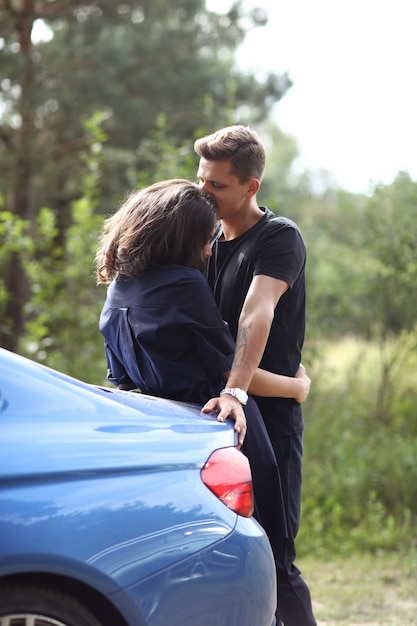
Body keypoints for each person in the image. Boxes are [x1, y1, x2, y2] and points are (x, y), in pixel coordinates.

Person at [95, 178, 311, 545]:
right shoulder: (186, 284)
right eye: (202, 239)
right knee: (272, 549)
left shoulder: (119, 288)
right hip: (220, 425)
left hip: (163, 432)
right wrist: (296, 387)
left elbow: (121, 378)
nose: (209, 251)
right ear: (180, 236)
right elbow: (229, 369)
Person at [194, 125, 316, 626]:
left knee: (276, 561)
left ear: (251, 186)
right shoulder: (201, 242)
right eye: (200, 180)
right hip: (215, 424)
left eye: (217, 185)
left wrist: (239, 387)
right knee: (221, 562)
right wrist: (288, 383)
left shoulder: (279, 237)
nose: (204, 193)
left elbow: (256, 311)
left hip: (271, 424)